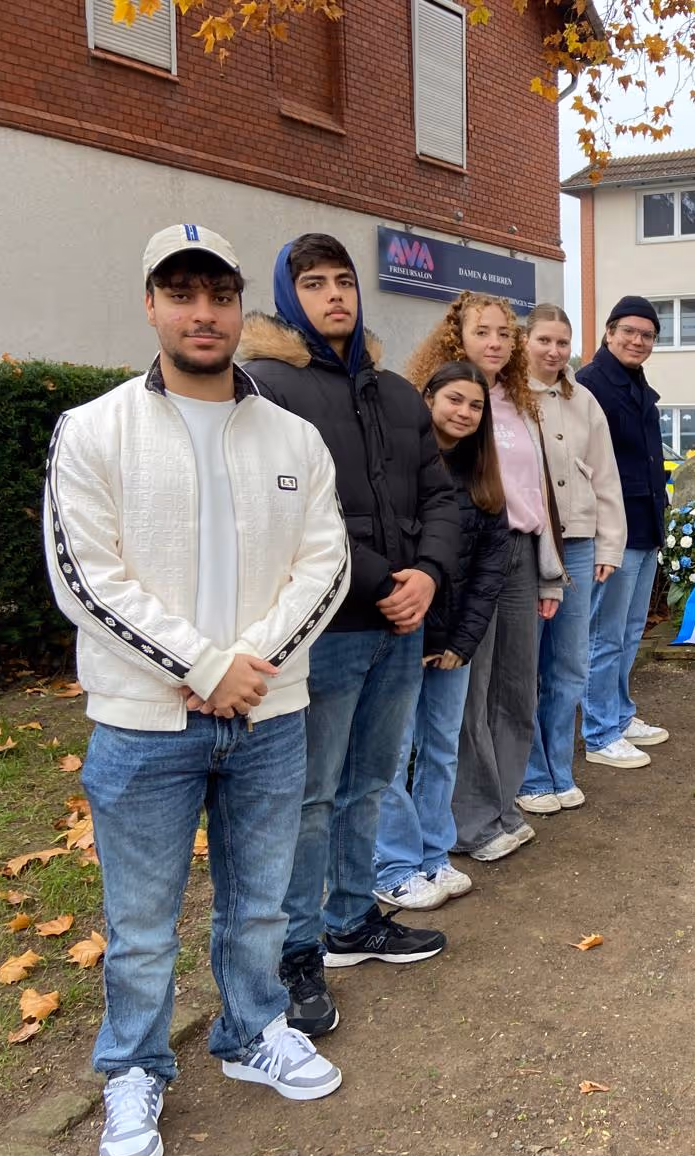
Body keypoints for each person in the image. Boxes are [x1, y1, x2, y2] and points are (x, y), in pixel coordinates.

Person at [45, 225, 349, 1156]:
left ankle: (252, 1029)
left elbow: (326, 562)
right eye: (181, 294)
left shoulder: (294, 436)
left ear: (239, 308)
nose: (202, 312)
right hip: (143, 725)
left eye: (217, 294)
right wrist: (201, 663)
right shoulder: (93, 430)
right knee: (139, 926)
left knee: (260, 907)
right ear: (150, 305)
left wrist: (249, 664)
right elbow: (85, 576)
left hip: (269, 715)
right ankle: (133, 1068)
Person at [241, 233, 459, 1036]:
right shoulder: (269, 387)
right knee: (312, 795)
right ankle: (296, 951)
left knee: (370, 782)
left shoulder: (396, 394)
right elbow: (295, 513)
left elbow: (440, 495)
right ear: (287, 293)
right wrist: (384, 582)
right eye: (315, 283)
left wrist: (428, 576)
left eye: (344, 281)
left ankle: (351, 917)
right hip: (327, 628)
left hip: (399, 627)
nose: (335, 295)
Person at [408, 293, 567, 862]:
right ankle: (470, 821)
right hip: (469, 558)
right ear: (458, 337)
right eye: (483, 332)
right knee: (469, 696)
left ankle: (502, 803)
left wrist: (549, 573)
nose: (496, 342)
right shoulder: (445, 399)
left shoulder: (519, 401)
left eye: (506, 333)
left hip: (520, 552)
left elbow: (538, 493)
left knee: (518, 688)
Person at [373, 360, 511, 908]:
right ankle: (393, 863)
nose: (464, 412)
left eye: (475, 405)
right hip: (401, 634)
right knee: (391, 752)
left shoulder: (483, 482)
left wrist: (462, 642)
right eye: (454, 399)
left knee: (441, 751)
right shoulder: (397, 466)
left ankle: (434, 854)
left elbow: (489, 573)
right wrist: (412, 627)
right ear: (427, 397)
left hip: (454, 641)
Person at [517, 304, 627, 813]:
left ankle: (560, 767)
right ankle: (531, 775)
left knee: (569, 665)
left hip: (579, 545)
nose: (554, 351)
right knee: (526, 665)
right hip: (525, 546)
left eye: (562, 342)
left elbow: (604, 477)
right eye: (544, 340)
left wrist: (609, 544)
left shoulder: (583, 400)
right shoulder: (506, 395)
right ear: (525, 341)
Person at [577, 297, 672, 769]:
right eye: (629, 331)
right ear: (609, 333)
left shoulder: (636, 386)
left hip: (645, 525)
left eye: (647, 335)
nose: (638, 341)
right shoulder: (591, 386)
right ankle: (599, 732)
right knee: (603, 634)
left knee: (630, 630)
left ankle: (617, 712)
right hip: (612, 532)